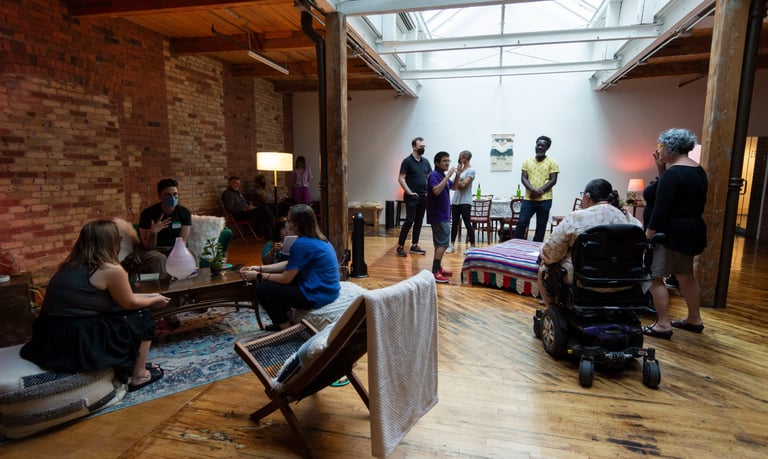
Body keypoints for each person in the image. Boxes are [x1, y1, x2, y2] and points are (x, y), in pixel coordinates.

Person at [20, 220, 169, 391]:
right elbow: (129, 303)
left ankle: (129, 364)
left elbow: (118, 298)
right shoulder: (110, 269)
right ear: (111, 242)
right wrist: (155, 300)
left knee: (121, 312)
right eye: (118, 239)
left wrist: (150, 295)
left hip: (50, 334)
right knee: (142, 316)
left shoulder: (69, 265)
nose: (119, 243)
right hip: (77, 338)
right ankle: (139, 376)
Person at [642, 128, 708, 339]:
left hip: (668, 234)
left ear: (670, 148)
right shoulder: (697, 170)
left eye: (661, 146)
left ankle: (663, 324)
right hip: (690, 231)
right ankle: (694, 319)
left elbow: (661, 209)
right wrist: (660, 168)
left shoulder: (673, 174)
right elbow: (670, 192)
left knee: (656, 277)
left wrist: (648, 236)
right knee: (686, 276)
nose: (658, 151)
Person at [538, 178, 642, 306]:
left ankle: (552, 309)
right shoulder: (630, 220)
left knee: (544, 266)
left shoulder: (576, 218)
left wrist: (545, 257)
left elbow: (550, 252)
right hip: (625, 279)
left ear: (587, 197)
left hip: (584, 279)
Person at [240, 204, 340, 331]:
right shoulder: (319, 239)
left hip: (317, 295)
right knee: (274, 285)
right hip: (329, 290)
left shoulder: (302, 243)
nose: (287, 224)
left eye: (289, 221)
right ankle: (284, 320)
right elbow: (290, 264)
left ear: (297, 224)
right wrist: (259, 268)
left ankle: (287, 330)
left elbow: (285, 278)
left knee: (262, 288)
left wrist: (258, 276)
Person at [136, 177, 192, 274]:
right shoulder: (148, 213)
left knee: (192, 254)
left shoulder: (184, 213)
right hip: (154, 250)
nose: (172, 198)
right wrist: (153, 233)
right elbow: (148, 246)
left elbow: (182, 242)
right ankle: (165, 288)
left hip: (175, 248)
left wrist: (176, 255)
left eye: (175, 194)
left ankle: (191, 287)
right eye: (168, 195)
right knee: (159, 259)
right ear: (160, 196)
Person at [513, 136, 559, 242]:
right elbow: (523, 178)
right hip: (529, 198)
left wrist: (539, 192)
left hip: (545, 199)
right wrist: (533, 191)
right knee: (522, 222)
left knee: (541, 226)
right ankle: (516, 245)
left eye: (543, 145)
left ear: (547, 148)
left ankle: (535, 249)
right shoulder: (527, 161)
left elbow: (553, 180)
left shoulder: (552, 162)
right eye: (538, 144)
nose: (540, 147)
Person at [427, 151, 461, 283]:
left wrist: (457, 175)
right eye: (444, 161)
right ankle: (435, 272)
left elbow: (454, 187)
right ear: (437, 163)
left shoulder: (441, 175)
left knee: (439, 243)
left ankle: (439, 268)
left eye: (448, 160)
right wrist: (448, 176)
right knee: (443, 243)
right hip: (438, 214)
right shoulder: (434, 175)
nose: (447, 163)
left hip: (443, 213)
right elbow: (436, 191)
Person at [396, 136, 432, 257]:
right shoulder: (407, 161)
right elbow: (401, 178)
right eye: (421, 147)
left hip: (423, 196)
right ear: (414, 147)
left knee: (419, 221)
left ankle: (414, 245)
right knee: (409, 220)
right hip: (412, 197)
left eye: (424, 147)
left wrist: (429, 191)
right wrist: (409, 192)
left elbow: (429, 177)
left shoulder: (426, 162)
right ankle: (400, 246)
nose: (423, 148)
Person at [446, 150, 476, 254]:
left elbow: (463, 185)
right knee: (454, 223)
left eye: (460, 157)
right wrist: (457, 180)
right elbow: (453, 187)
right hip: (456, 201)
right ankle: (452, 245)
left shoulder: (471, 170)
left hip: (466, 201)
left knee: (467, 223)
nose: (459, 159)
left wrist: (455, 181)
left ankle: (472, 245)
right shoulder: (460, 170)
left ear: (464, 158)